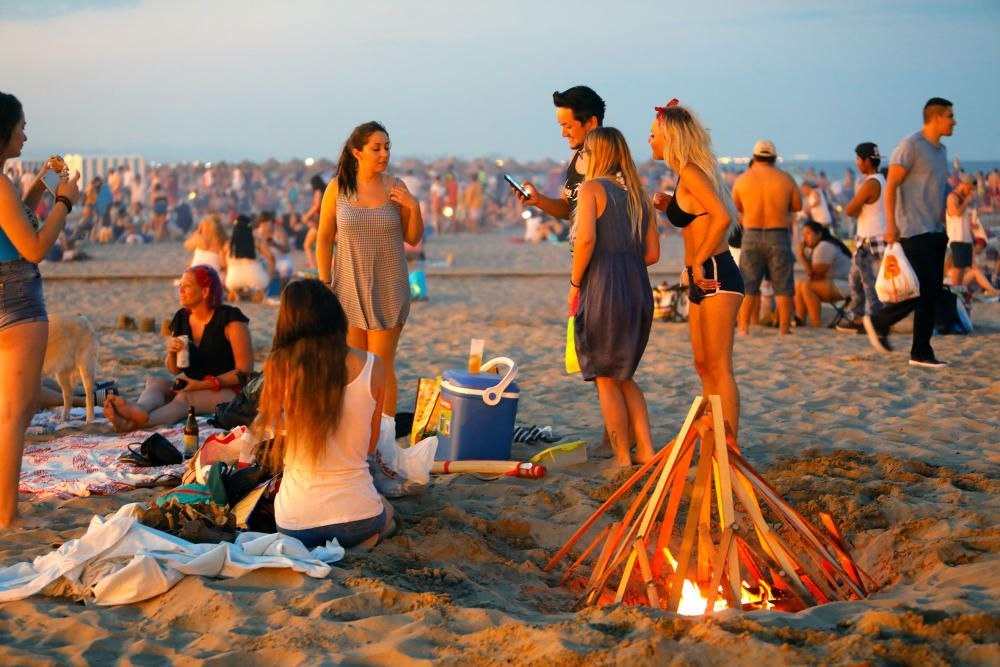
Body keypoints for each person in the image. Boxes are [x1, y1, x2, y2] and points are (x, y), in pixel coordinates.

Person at [253, 280, 394, 549]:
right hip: (357, 517)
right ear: (335, 314)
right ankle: (367, 541)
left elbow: (273, 430)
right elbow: (370, 444)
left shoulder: (277, 366)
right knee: (390, 515)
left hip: (295, 523)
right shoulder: (373, 366)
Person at [0, 91, 81, 528]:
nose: (26, 135)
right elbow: (32, 247)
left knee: (12, 408)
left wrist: (43, 185)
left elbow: (14, 221)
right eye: (21, 127)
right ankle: (7, 514)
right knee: (16, 412)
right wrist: (65, 202)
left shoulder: (2, 184)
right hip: (16, 299)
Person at [317, 121, 422, 420]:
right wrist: (325, 281)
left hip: (389, 288)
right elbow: (324, 238)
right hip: (348, 289)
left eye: (387, 147)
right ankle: (359, 433)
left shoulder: (395, 186)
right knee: (354, 368)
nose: (384, 154)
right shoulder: (338, 188)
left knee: (381, 365)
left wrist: (413, 207)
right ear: (357, 152)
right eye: (376, 148)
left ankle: (384, 438)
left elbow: (413, 237)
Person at [650, 100, 744, 434]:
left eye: (653, 134)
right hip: (700, 274)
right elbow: (699, 220)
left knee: (719, 367)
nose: (650, 140)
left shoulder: (690, 170)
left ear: (670, 137)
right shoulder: (683, 175)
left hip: (715, 271)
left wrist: (700, 263)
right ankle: (714, 436)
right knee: (703, 365)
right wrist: (670, 206)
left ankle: (728, 445)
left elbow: (721, 217)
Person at [569, 127, 659, 467]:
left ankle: (622, 455)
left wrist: (576, 283)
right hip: (637, 286)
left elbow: (586, 241)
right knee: (625, 376)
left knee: (606, 378)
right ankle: (646, 450)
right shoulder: (640, 194)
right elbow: (652, 254)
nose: (582, 158)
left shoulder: (592, 188)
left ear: (597, 155)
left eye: (586, 153)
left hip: (604, 286)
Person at [104, 265, 253, 432]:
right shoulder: (182, 318)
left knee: (185, 397)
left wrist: (202, 384)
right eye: (180, 285)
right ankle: (141, 409)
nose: (180, 290)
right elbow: (174, 370)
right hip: (192, 384)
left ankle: (136, 423)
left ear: (205, 292)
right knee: (156, 382)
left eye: (187, 286)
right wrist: (172, 353)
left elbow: (244, 371)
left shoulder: (231, 320)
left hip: (229, 390)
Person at [863, 98, 955, 368]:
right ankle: (882, 320)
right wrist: (890, 224)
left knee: (931, 291)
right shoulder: (911, 146)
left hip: (936, 230)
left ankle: (920, 351)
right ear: (935, 117)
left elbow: (935, 189)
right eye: (950, 116)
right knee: (921, 290)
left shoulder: (941, 151)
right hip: (912, 229)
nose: (954, 121)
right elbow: (891, 185)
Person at [514, 86, 606, 242]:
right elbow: (568, 207)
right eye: (561, 126)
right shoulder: (576, 157)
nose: (563, 133)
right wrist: (539, 200)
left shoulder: (608, 161)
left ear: (591, 122)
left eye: (568, 126)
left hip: (603, 260)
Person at [732, 140, 802, 334]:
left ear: (754, 157)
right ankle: (784, 328)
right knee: (783, 284)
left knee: (749, 283)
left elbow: (737, 206)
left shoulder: (743, 179)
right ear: (774, 157)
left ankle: (744, 327)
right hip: (778, 234)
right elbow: (797, 205)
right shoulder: (785, 179)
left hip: (751, 234)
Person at [837, 143, 886, 333]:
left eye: (858, 159)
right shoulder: (882, 180)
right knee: (856, 281)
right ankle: (858, 318)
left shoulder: (871, 183)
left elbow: (850, 209)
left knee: (868, 284)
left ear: (866, 161)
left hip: (869, 241)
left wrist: (855, 206)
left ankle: (872, 322)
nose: (857, 163)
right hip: (872, 239)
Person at [794, 221, 852, 327]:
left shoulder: (824, 246)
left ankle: (816, 323)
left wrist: (802, 256)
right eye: (803, 235)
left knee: (807, 286)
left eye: (808, 234)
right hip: (837, 282)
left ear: (819, 234)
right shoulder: (821, 246)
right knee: (799, 284)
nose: (805, 238)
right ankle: (800, 320)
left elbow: (815, 276)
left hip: (847, 285)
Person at [224, 214, 272, 302]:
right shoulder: (257, 241)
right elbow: (271, 258)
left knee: (229, 277)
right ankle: (258, 292)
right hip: (256, 279)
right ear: (250, 228)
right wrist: (269, 277)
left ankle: (234, 292)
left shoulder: (228, 244)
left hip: (233, 280)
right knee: (263, 264)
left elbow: (224, 264)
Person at [945, 172, 978, 289]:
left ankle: (959, 292)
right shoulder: (952, 197)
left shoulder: (964, 198)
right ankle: (955, 292)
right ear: (963, 184)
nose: (970, 192)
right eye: (969, 189)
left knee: (963, 269)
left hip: (965, 238)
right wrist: (967, 201)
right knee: (957, 269)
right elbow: (956, 212)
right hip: (956, 238)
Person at [301, 175, 325, 270]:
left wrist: (307, 216)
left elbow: (317, 206)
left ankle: (313, 266)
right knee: (317, 244)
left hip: (317, 221)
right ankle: (316, 265)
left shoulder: (318, 191)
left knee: (307, 245)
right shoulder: (324, 191)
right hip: (319, 220)